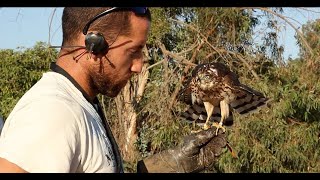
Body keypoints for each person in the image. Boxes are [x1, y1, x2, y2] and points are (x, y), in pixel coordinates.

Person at [0, 7, 227, 173]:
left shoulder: (82, 104)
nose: (138, 66)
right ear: (93, 44)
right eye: (133, 51)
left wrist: (170, 166)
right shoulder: (53, 113)